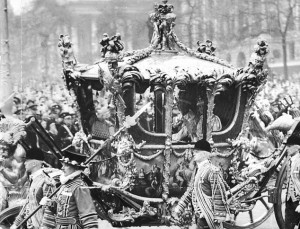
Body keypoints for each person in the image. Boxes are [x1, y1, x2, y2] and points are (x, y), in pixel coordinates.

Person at [173, 139, 230, 229]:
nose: (193, 154)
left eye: (196, 152)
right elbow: (190, 190)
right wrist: (179, 207)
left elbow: (219, 193)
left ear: (204, 154)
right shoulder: (197, 170)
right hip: (199, 217)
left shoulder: (212, 171)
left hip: (208, 216)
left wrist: (219, 215)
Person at [40, 146, 98, 229]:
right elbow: (60, 209)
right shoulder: (65, 185)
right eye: (63, 165)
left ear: (75, 168)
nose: (62, 168)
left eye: (66, 165)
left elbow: (88, 215)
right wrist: (49, 203)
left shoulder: (79, 187)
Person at [10, 150, 62, 229]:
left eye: (27, 161)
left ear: (34, 163)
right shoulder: (34, 179)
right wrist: (16, 224)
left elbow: (49, 208)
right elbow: (28, 204)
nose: (24, 163)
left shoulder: (46, 180)